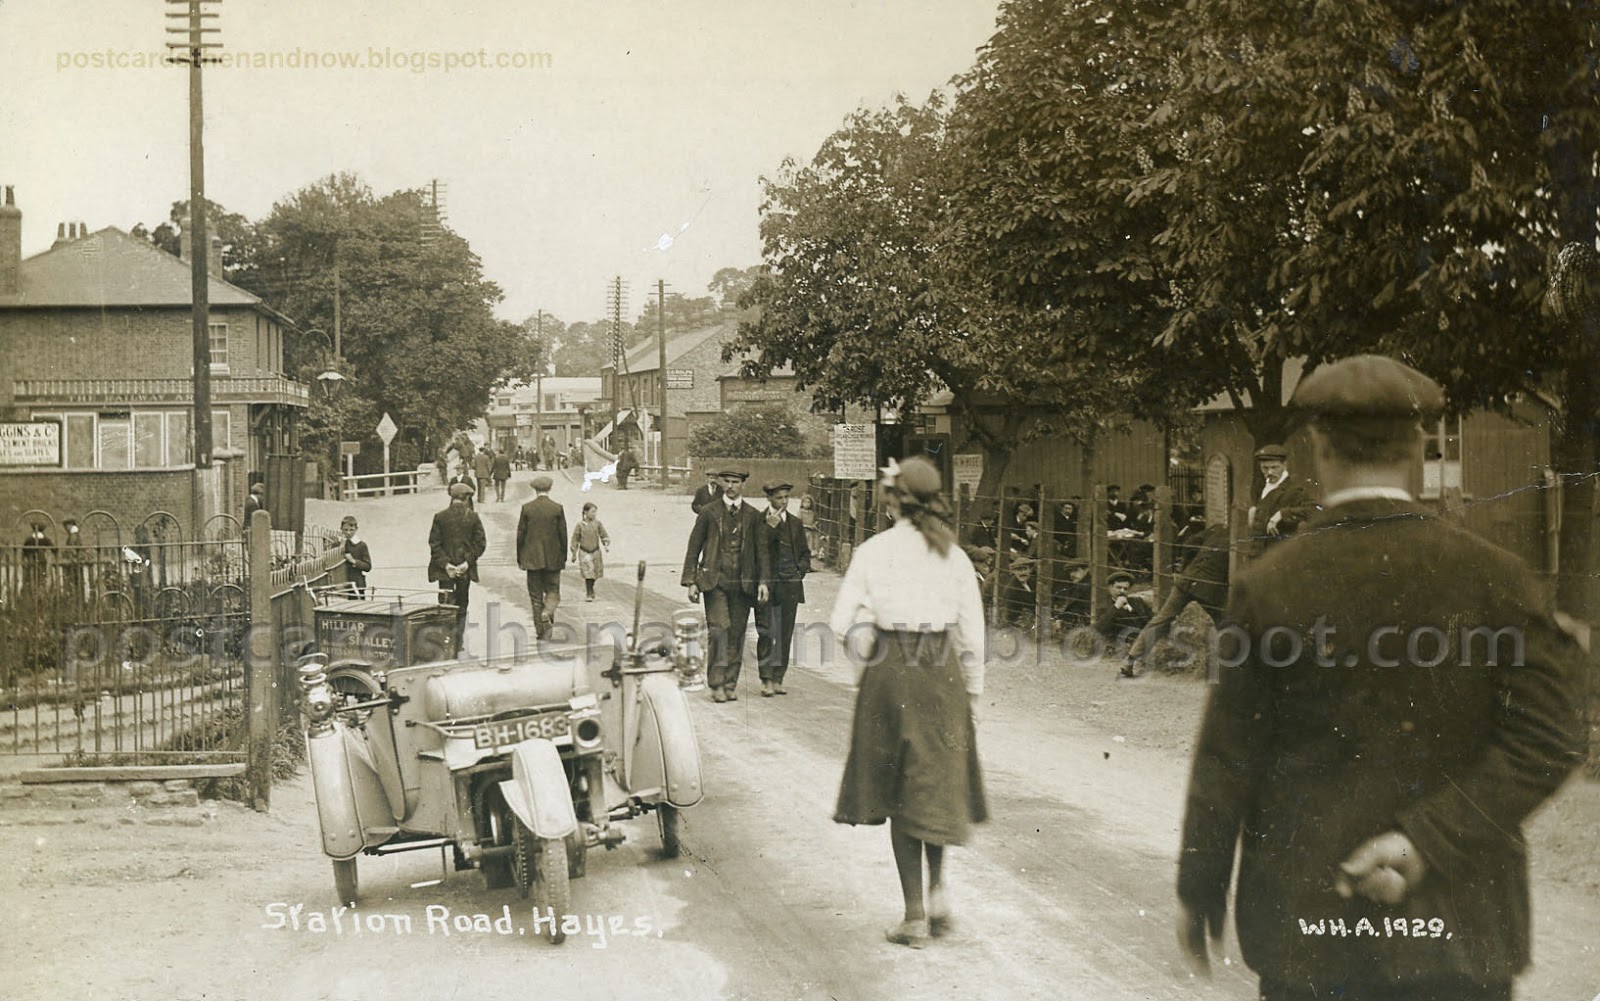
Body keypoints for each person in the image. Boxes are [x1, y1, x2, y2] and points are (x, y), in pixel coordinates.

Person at [1176, 354, 1586, 1001]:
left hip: (1310, 932)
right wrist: (1429, 836)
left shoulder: (1269, 587)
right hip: (1459, 933)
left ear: (1318, 446)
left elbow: (1227, 757)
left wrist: (1198, 887)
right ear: (1417, 447)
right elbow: (1554, 732)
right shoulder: (1497, 577)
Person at [830, 456, 986, 949]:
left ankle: (914, 916)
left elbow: (840, 623)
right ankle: (938, 897)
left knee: (899, 791)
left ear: (893, 499)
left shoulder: (874, 551)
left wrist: (868, 669)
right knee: (936, 783)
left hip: (891, 670)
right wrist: (973, 693)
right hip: (942, 672)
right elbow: (973, 634)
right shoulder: (953, 554)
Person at [681, 468, 770, 702]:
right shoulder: (709, 512)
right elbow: (694, 547)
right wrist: (691, 581)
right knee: (719, 630)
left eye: (735, 482)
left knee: (737, 634)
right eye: (727, 482)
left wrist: (763, 582)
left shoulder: (752, 515)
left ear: (743, 485)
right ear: (721, 484)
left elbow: (762, 552)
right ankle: (717, 683)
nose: (730, 486)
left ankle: (731, 683)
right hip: (715, 581)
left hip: (743, 584)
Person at [1124, 521, 1229, 676]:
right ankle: (1228, 664)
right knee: (1225, 621)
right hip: (1208, 587)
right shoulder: (1244, 539)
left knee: (1161, 619)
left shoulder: (1218, 528)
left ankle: (1130, 660)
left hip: (1186, 580)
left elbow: (1189, 543)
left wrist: (1186, 567)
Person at [755, 481, 811, 697]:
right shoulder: (758, 520)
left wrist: (800, 572)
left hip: (790, 585)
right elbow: (757, 549)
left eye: (786, 497)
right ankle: (766, 679)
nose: (784, 502)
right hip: (767, 585)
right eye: (779, 498)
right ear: (769, 498)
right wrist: (770, 527)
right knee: (766, 631)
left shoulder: (795, 523)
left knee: (785, 633)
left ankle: (778, 678)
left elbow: (805, 553)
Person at [427, 482, 487, 654]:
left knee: (445, 605)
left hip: (444, 572)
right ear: (466, 497)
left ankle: (445, 643)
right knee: (461, 606)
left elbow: (434, 544)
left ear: (452, 497)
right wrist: (466, 563)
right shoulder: (473, 517)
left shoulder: (440, 517)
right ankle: (458, 644)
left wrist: (446, 565)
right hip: (464, 572)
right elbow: (480, 544)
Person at [516, 474, 568, 640]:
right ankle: (548, 612)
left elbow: (520, 536)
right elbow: (563, 535)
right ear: (549, 489)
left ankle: (542, 631)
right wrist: (563, 556)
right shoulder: (557, 508)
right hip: (553, 558)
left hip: (532, 559)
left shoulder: (527, 508)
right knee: (553, 591)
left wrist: (520, 558)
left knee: (535, 596)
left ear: (535, 489)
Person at [1246, 443, 1316, 559]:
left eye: (1274, 467)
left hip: (1279, 558)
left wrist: (1282, 514)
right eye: (1265, 468)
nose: (1270, 473)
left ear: (1284, 465)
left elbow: (1315, 509)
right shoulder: (1262, 487)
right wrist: (1254, 509)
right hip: (1257, 557)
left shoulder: (1294, 489)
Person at [1094, 570, 1153, 654]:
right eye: (1118, 587)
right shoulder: (1104, 606)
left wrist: (1132, 610)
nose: (1122, 591)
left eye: (1125, 589)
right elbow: (1099, 629)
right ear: (1110, 587)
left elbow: (1149, 621)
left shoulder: (1137, 602)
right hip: (1117, 647)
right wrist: (1116, 607)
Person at [569, 501, 610, 601]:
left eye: (595, 512)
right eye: (592, 512)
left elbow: (603, 535)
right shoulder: (580, 525)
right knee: (588, 573)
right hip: (584, 552)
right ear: (585, 512)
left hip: (595, 551)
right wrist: (574, 552)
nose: (594, 514)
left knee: (595, 573)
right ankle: (589, 591)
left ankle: (591, 587)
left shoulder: (598, 523)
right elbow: (575, 539)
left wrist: (605, 544)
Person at [339, 515, 372, 598]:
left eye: (351, 530)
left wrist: (354, 561)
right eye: (345, 530)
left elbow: (368, 566)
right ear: (341, 529)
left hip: (357, 585)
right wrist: (341, 545)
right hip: (341, 584)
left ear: (356, 529)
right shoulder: (337, 544)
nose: (348, 533)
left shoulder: (361, 545)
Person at [22, 522, 55, 591]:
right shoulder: (45, 539)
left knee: (31, 577)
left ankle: (31, 591)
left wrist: (26, 556)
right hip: (41, 559)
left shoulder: (29, 539)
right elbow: (54, 548)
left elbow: (24, 550)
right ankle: (41, 591)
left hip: (31, 560)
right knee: (41, 577)